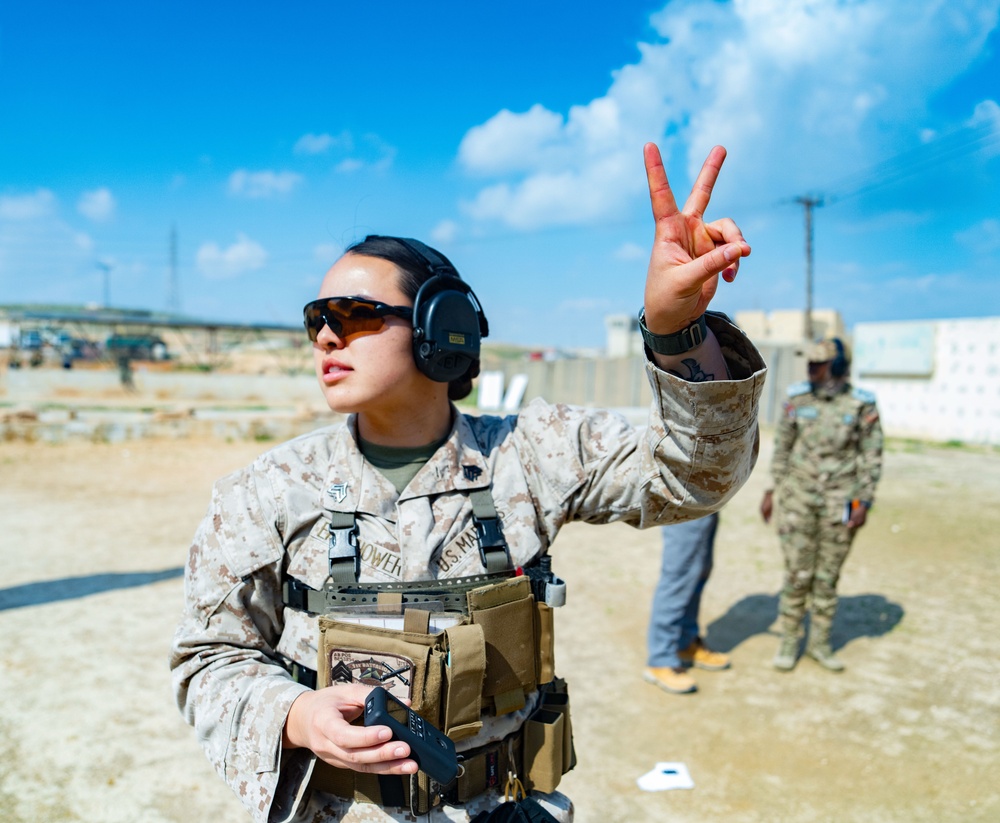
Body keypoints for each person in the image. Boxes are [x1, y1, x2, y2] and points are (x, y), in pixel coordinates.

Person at [170, 142, 767, 823]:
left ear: (439, 329)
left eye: (355, 314)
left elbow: (696, 475)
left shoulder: (531, 453)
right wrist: (296, 713)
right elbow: (208, 657)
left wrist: (676, 330)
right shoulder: (265, 491)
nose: (327, 337)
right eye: (317, 319)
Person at [760, 338, 883, 673]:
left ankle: (819, 643)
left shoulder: (862, 405)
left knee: (827, 576)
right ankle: (789, 640)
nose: (810, 369)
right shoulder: (797, 399)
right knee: (798, 573)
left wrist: (864, 502)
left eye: (819, 364)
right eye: (809, 363)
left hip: (842, 501)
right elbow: (783, 448)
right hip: (798, 499)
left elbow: (872, 458)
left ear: (839, 367)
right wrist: (771, 491)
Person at [644, 512, 731, 695]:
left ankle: (685, 642)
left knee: (699, 571)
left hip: (706, 497)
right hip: (687, 498)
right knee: (679, 576)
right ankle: (661, 659)